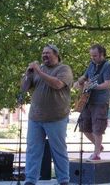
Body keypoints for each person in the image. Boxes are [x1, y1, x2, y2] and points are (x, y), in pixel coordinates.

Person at [21, 44, 73, 185]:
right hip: (35, 117)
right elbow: (24, 88)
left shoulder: (64, 69)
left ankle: (63, 180)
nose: (44, 55)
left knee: (58, 150)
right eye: (43, 53)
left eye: (48, 53)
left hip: (56, 117)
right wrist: (28, 74)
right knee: (33, 150)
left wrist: (39, 71)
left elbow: (57, 84)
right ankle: (30, 180)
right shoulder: (38, 70)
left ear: (56, 55)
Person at [74, 44, 110, 160]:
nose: (93, 58)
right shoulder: (91, 64)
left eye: (95, 56)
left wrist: (94, 86)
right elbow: (85, 77)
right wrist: (79, 81)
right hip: (87, 100)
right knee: (84, 127)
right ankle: (98, 146)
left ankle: (96, 154)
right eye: (91, 56)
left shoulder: (107, 66)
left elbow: (107, 84)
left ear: (102, 54)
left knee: (97, 129)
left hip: (100, 102)